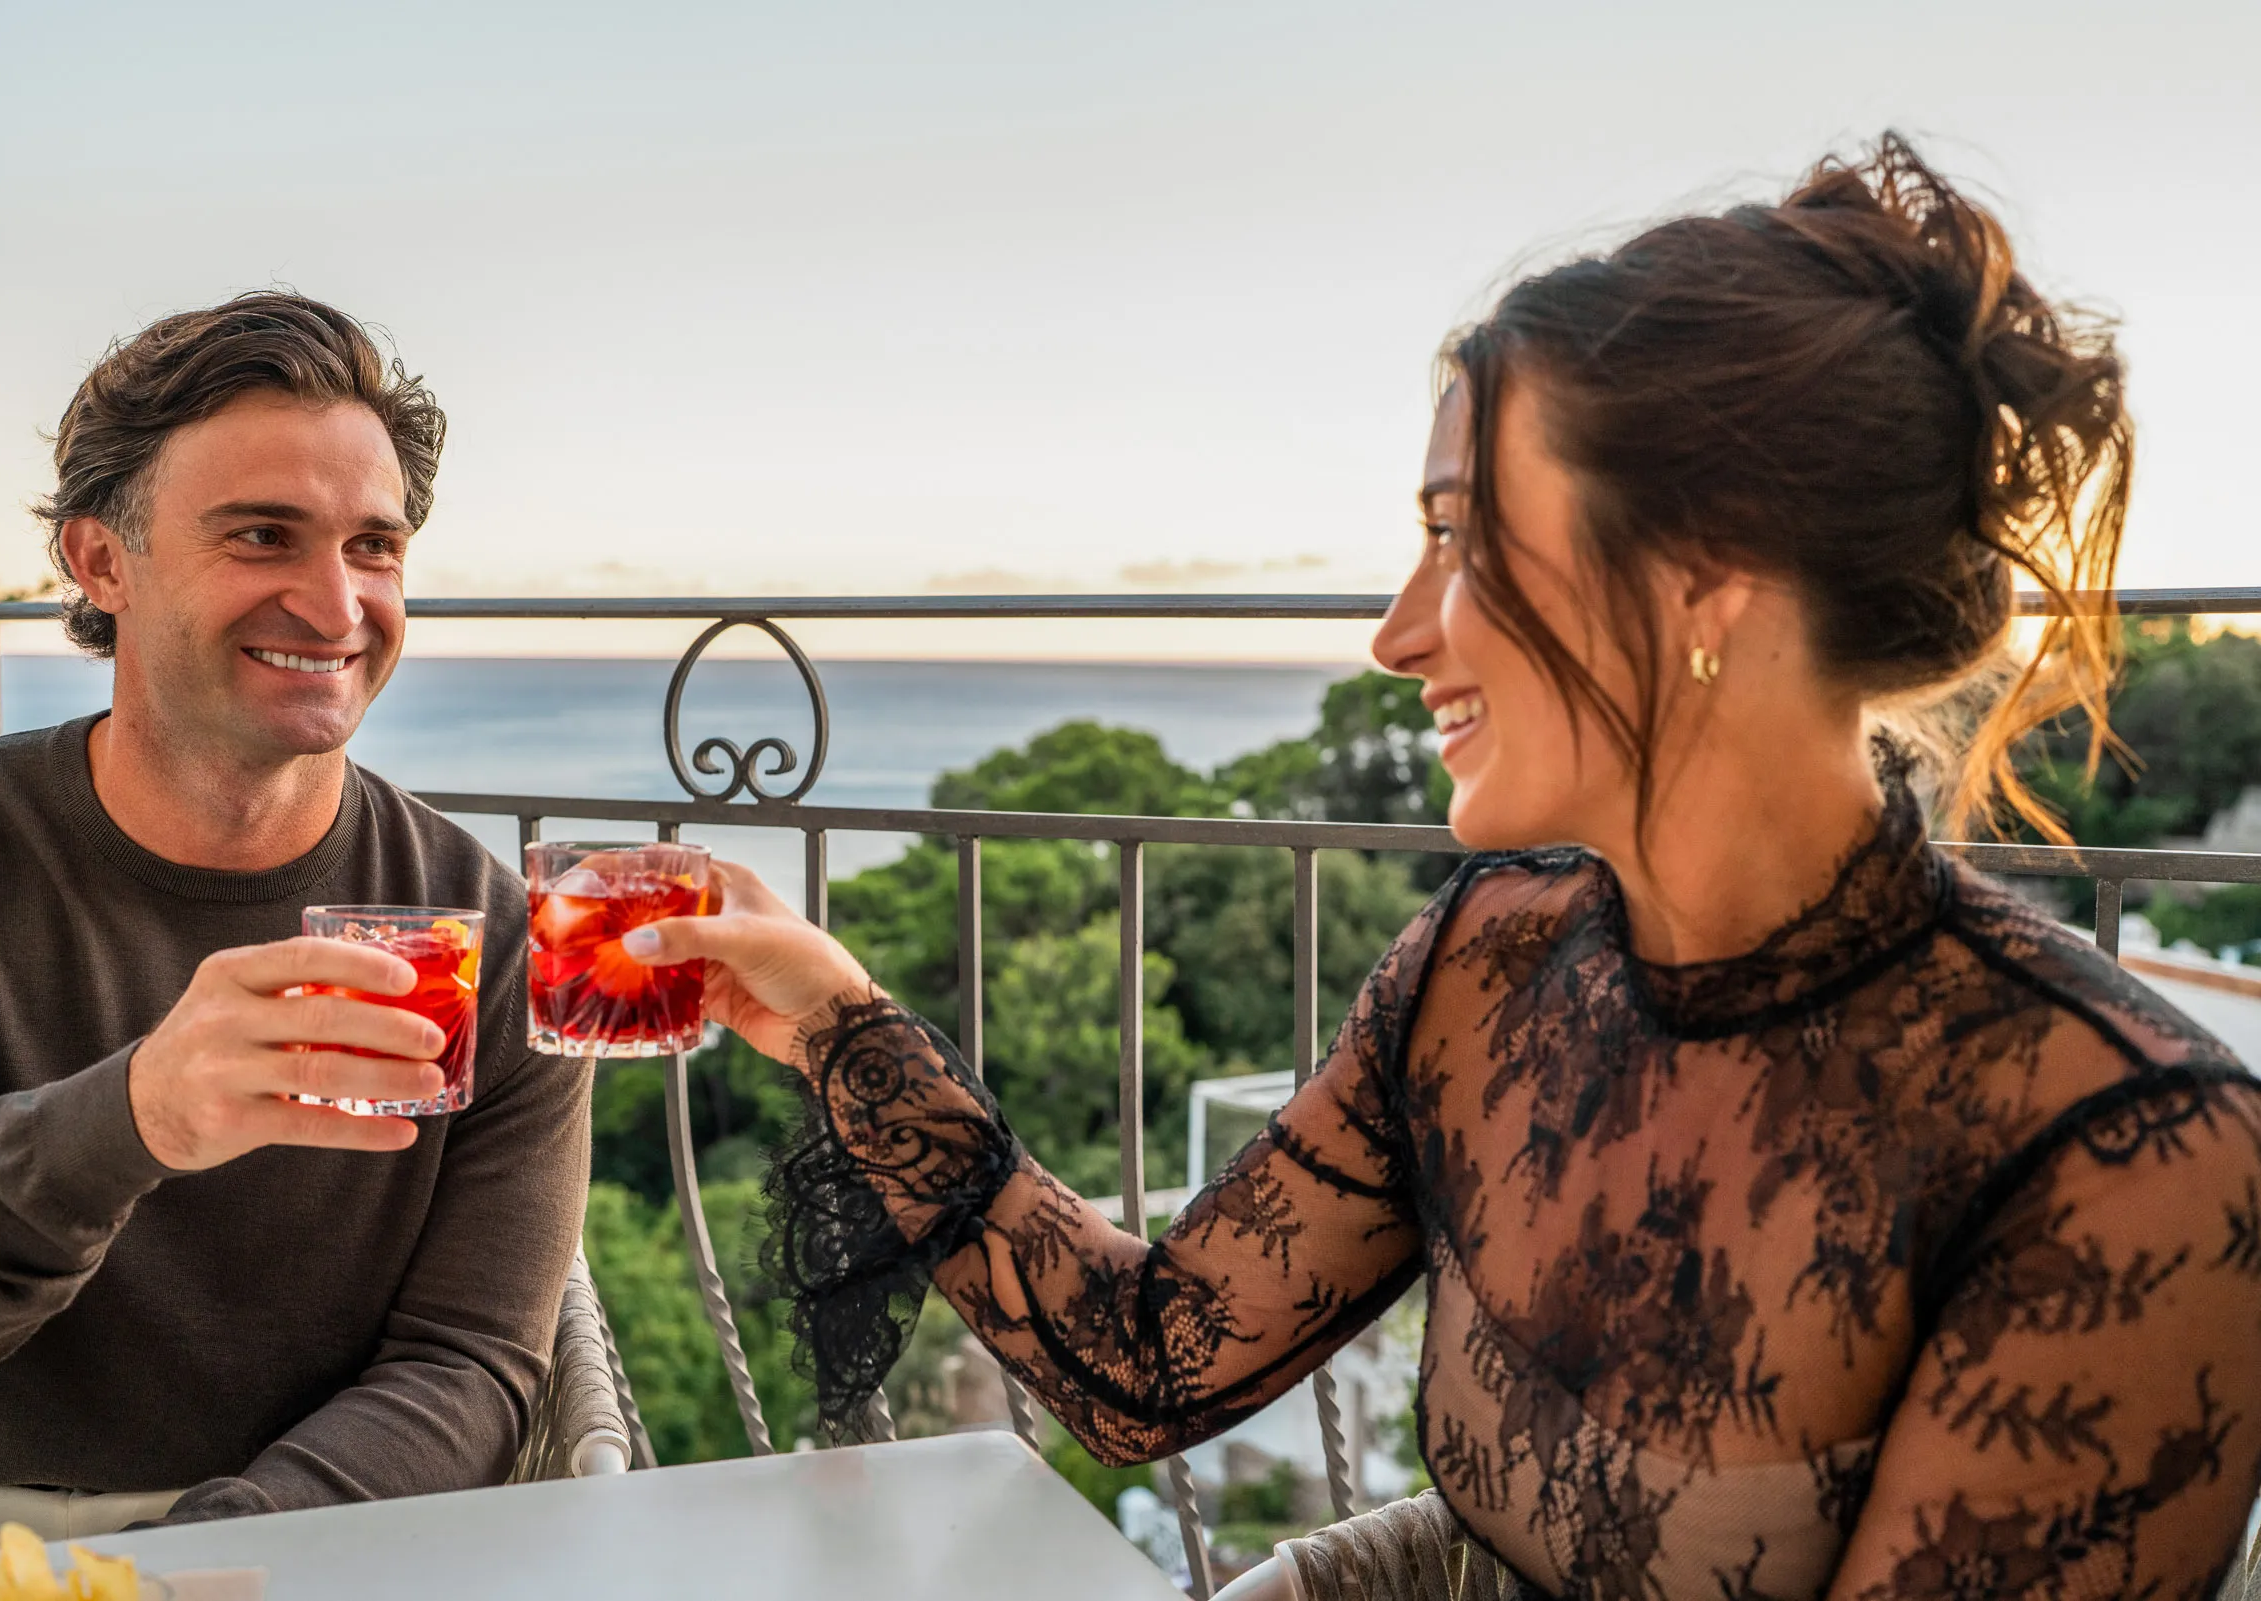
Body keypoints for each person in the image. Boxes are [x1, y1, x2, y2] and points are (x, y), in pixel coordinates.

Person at [630, 138, 2261, 1597]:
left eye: (1459, 536)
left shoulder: (2125, 1162)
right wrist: (833, 1016)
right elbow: (1149, 1362)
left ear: (1705, 575)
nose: (1399, 635)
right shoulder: (1492, 967)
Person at [0, 293, 590, 1561]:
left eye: (374, 545)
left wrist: (203, 1559)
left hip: (293, 1532)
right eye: (263, 535)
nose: (337, 604)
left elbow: (469, 1361)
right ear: (101, 562)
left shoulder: (491, 930)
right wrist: (133, 1117)